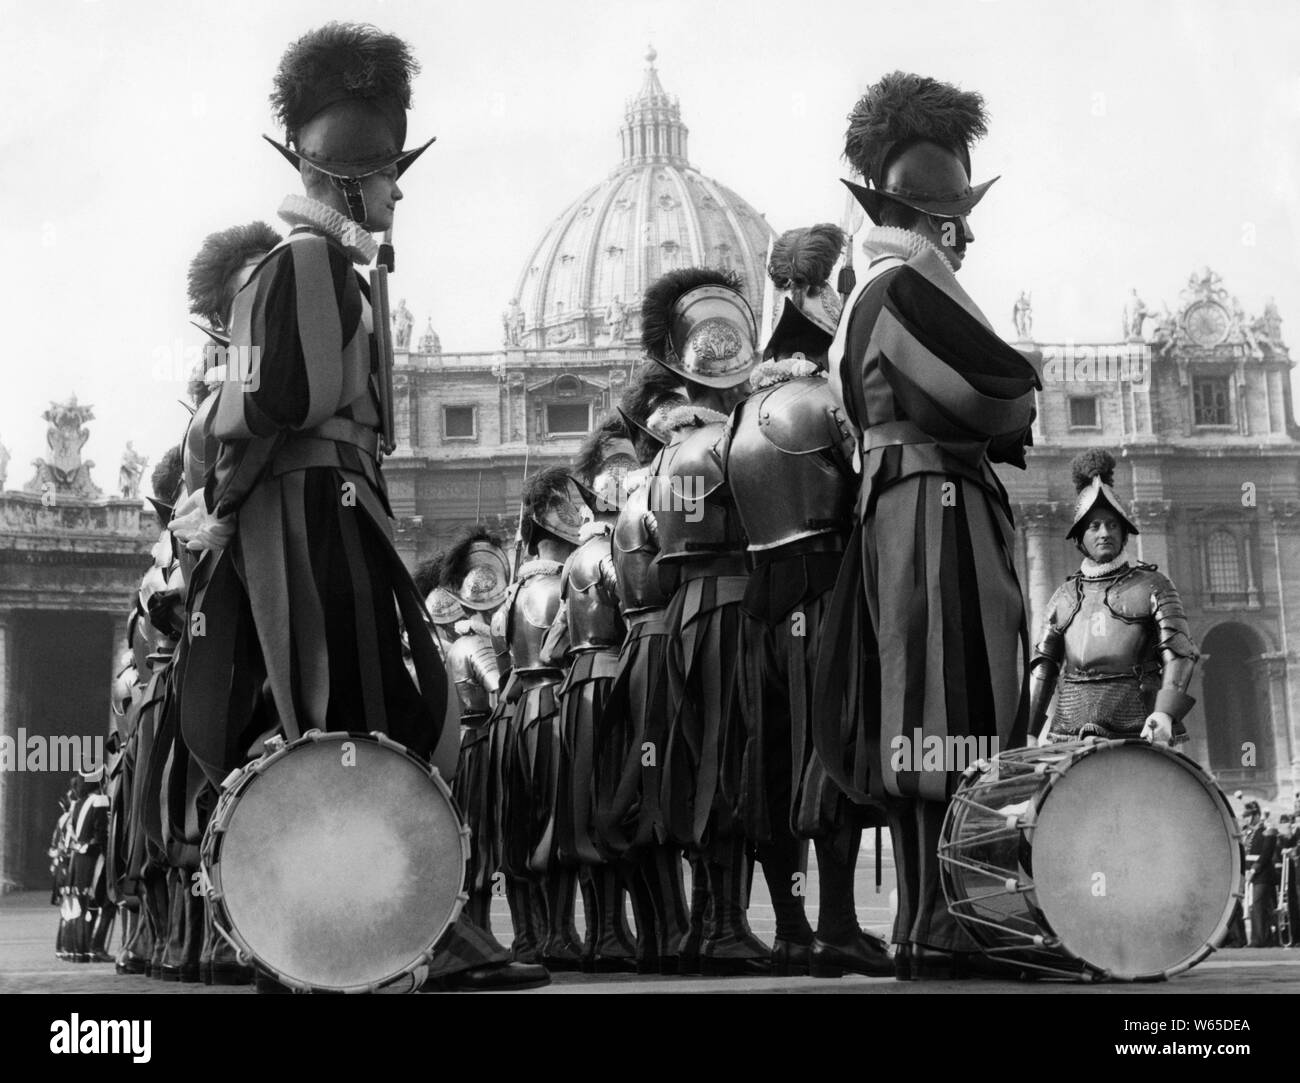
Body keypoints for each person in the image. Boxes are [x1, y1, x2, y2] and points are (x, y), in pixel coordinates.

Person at [170, 21, 542, 992]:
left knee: (382, 714)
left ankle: (388, 928)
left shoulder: (326, 264)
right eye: (385, 177)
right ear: (346, 183)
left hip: (332, 505)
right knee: (365, 716)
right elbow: (274, 406)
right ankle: (396, 933)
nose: (396, 193)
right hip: (314, 517)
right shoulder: (306, 263)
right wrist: (228, 505)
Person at [812, 72, 1041, 981]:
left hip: (902, 508)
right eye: (955, 217)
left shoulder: (870, 290)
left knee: (919, 712)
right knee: (956, 704)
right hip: (935, 508)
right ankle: (953, 922)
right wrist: (1019, 396)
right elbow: (995, 398)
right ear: (923, 217)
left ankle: (923, 918)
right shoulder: (905, 288)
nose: (967, 235)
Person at [726, 224, 892, 978]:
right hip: (825, 594)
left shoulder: (742, 411)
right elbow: (871, 498)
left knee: (771, 763)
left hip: (762, 607)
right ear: (823, 292)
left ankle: (791, 931)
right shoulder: (833, 398)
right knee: (832, 754)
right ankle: (838, 926)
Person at [642, 267, 770, 975]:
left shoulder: (666, 453)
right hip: (732, 607)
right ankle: (724, 925)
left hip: (684, 613)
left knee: (697, 762)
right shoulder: (734, 442)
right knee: (736, 759)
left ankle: (704, 925)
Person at [597, 364, 693, 974]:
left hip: (638, 649)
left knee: (648, 787)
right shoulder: (665, 493)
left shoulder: (631, 503)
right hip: (667, 646)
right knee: (673, 787)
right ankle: (684, 928)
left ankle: (661, 932)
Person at [543, 418, 640, 971]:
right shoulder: (610, 552)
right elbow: (635, 605)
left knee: (586, 808)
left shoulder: (571, 563)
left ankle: (603, 933)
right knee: (618, 802)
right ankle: (614, 934)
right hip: (612, 680)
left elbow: (554, 643)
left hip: (576, 685)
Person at [1028, 450, 1199, 746]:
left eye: (1112, 524)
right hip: (1069, 728)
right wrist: (1029, 730)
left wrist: (1164, 713)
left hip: (1140, 725)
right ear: (1080, 538)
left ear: (1124, 533)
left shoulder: (1154, 585)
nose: (1104, 533)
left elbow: (1180, 654)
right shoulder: (1063, 597)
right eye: (1094, 526)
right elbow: (1044, 667)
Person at [499, 467, 589, 970]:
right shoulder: (561, 585)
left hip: (518, 713)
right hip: (557, 704)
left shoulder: (512, 593)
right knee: (560, 820)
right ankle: (559, 932)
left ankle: (531, 936)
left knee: (527, 822)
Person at [440, 528, 509, 938]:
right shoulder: (476, 646)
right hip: (482, 743)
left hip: (462, 745)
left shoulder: (455, 647)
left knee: (473, 837)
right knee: (483, 839)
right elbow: (499, 689)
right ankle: (479, 931)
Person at [1243, 800, 1280, 947]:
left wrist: (1253, 870)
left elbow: (1266, 853)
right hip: (1253, 874)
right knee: (1256, 907)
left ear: (1257, 815)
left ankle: (1259, 940)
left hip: (1263, 874)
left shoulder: (1267, 829)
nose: (1246, 819)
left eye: (1249, 816)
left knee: (1258, 906)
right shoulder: (1250, 832)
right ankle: (1263, 938)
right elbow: (1247, 853)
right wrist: (1247, 870)